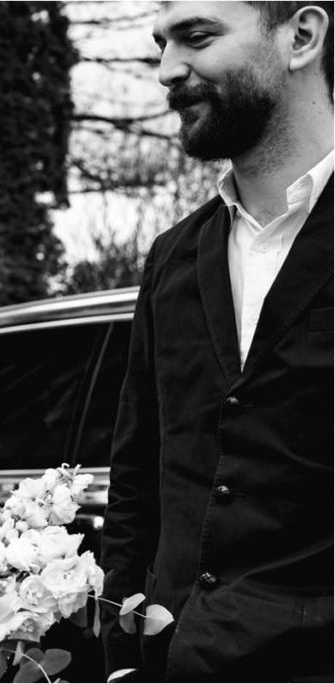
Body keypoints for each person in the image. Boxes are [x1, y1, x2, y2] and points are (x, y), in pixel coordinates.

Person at [100, 1, 333, 681]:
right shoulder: (171, 258)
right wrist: (121, 657)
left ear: (302, 36)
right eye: (161, 44)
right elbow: (137, 477)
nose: (169, 69)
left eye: (197, 37)